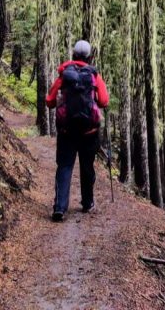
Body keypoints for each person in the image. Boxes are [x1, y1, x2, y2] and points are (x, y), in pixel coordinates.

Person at [46, 39, 109, 222]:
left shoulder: (64, 75)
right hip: (89, 132)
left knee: (64, 166)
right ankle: (87, 203)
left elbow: (49, 101)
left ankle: (60, 207)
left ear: (73, 55)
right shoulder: (94, 76)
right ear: (89, 57)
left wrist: (59, 102)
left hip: (67, 131)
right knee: (87, 167)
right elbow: (104, 101)